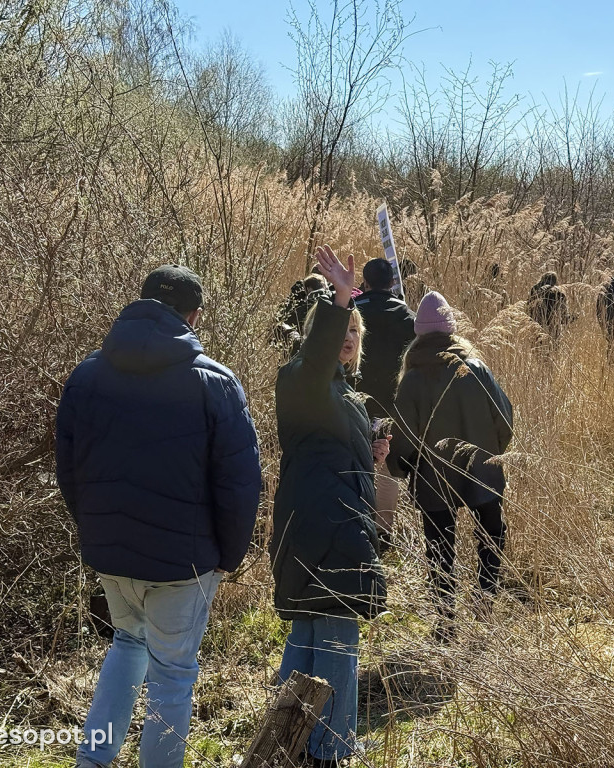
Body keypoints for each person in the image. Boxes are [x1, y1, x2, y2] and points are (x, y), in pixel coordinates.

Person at [55, 265, 262, 768]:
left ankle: (93, 760)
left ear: (141, 302)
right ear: (193, 316)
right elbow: (240, 484)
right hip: (182, 564)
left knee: (126, 646)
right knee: (172, 676)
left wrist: (96, 533)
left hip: (111, 555)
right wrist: (228, 558)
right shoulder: (214, 382)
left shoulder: (86, 376)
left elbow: (68, 468)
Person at [271, 245, 389, 767]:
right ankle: (328, 749)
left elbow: (334, 452)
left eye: (356, 331)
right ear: (316, 333)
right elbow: (316, 359)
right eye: (340, 328)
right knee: (337, 641)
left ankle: (285, 741)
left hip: (325, 526)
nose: (348, 336)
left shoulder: (343, 394)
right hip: (327, 529)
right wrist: (342, 298)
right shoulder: (302, 377)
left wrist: (371, 449)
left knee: (309, 635)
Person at [389, 291, 513, 642]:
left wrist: (402, 468)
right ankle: (486, 604)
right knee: (492, 537)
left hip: (433, 481)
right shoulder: (476, 369)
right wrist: (492, 455)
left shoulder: (411, 380)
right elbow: (504, 419)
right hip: (482, 472)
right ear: (452, 330)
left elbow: (404, 441)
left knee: (440, 550)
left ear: (419, 334)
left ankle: (446, 625)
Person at [354, 258, 416, 545]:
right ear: (392, 282)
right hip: (395, 403)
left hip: (355, 401)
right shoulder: (408, 317)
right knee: (390, 466)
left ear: (364, 283)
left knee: (356, 461)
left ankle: (357, 525)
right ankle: (383, 531)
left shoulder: (353, 312)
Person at [527, 271, 572, 339]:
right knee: (553, 345)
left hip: (536, 326)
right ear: (555, 281)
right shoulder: (559, 293)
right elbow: (564, 317)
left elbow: (528, 308)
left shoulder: (534, 290)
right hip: (553, 328)